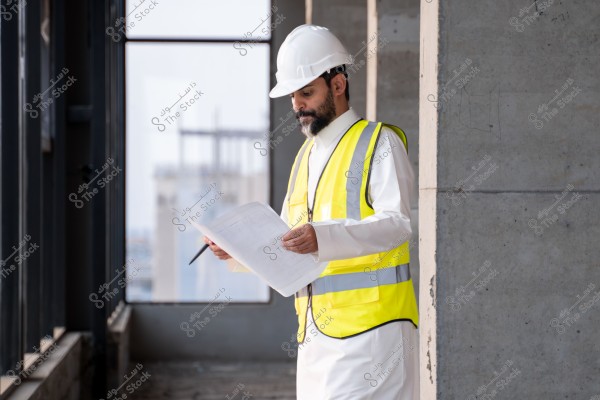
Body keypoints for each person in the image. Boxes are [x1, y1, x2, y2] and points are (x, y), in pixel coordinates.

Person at [205, 24, 419, 399]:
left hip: (374, 335)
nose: (297, 105)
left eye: (307, 92)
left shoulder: (379, 142)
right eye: (293, 96)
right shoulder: (306, 156)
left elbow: (399, 225)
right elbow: (286, 243)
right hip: (315, 338)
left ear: (338, 85)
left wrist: (324, 236)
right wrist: (236, 253)